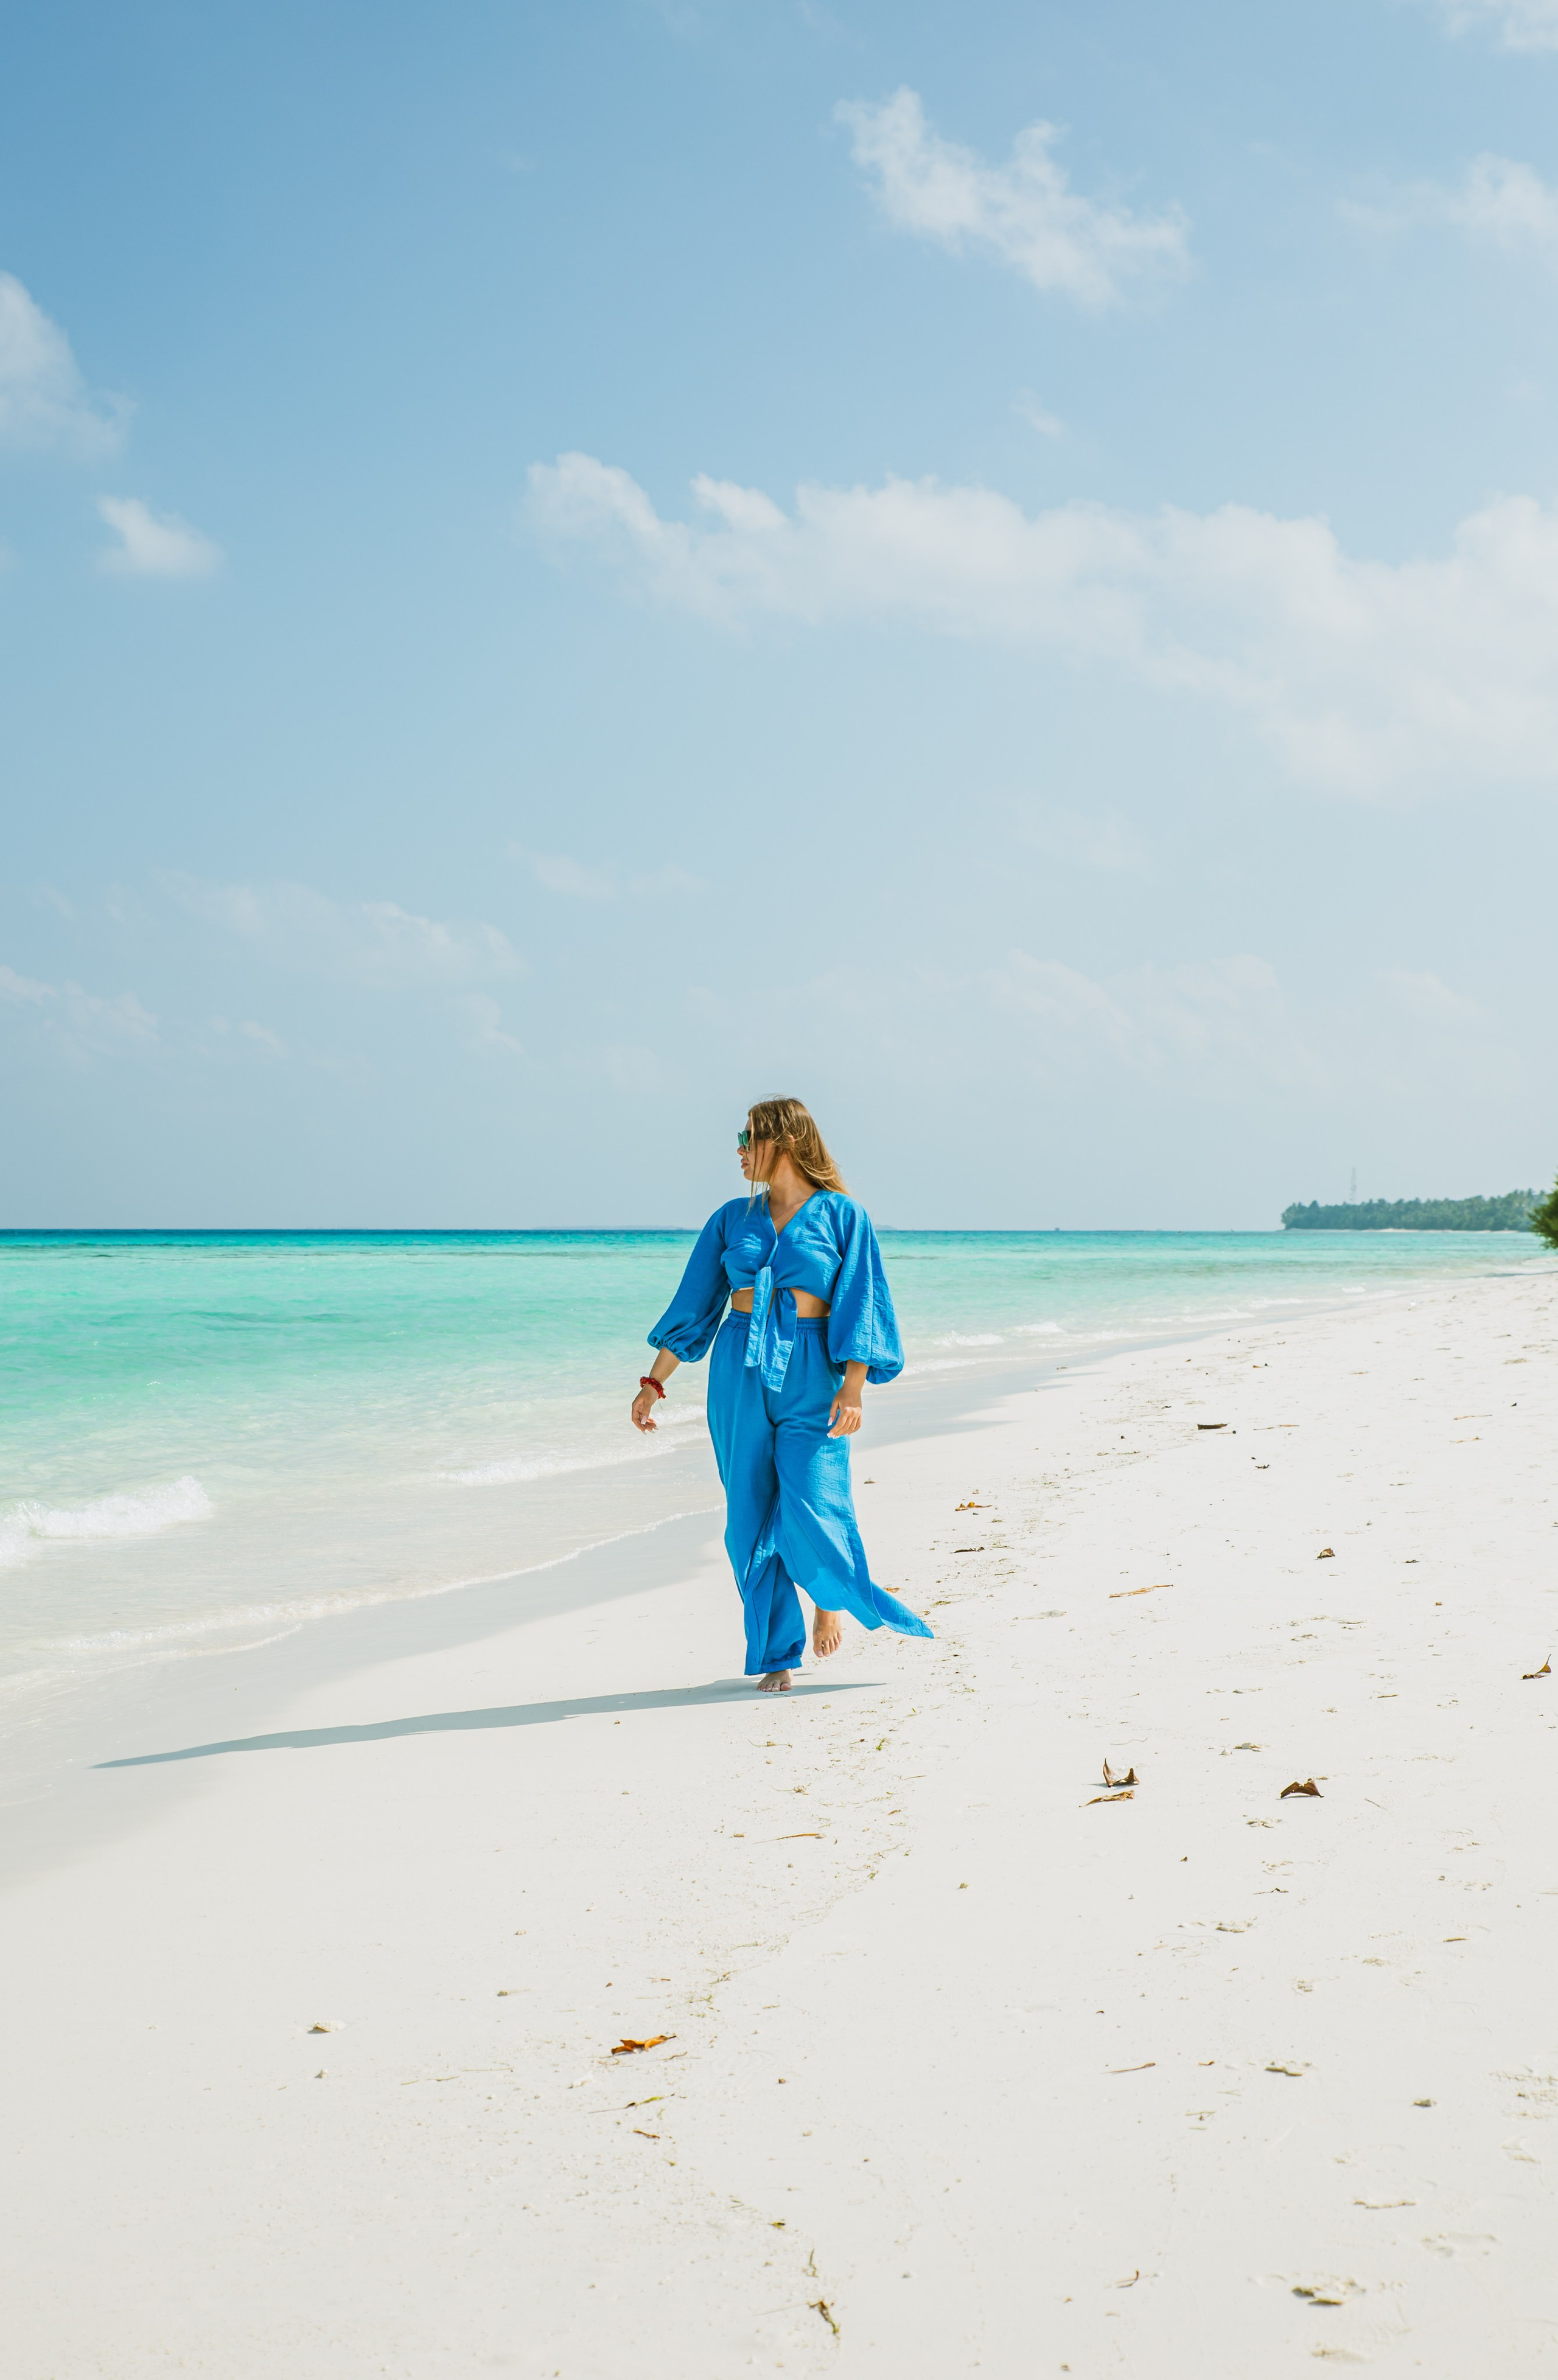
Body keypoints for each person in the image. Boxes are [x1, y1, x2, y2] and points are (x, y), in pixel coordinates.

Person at [631, 1097, 932, 1693]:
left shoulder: (843, 1215)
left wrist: (854, 1387)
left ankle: (831, 1595)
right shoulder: (730, 1218)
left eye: (748, 1138)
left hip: (813, 1368)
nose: (739, 1150)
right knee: (747, 1516)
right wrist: (654, 1380)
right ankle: (776, 1651)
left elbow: (862, 1301)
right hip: (737, 1369)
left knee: (816, 1506)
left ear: (784, 1142)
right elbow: (696, 1303)